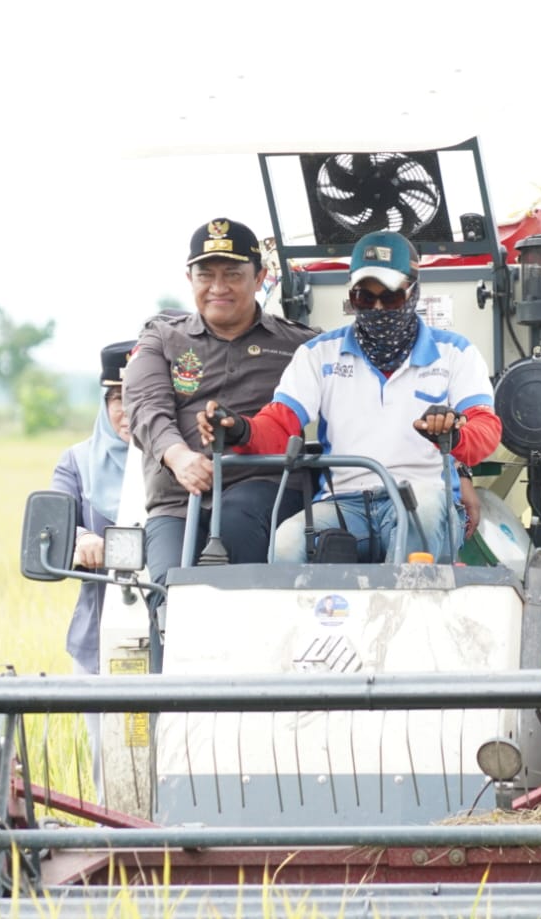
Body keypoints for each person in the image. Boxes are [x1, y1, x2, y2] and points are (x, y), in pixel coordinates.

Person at [199, 230, 502, 564]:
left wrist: (454, 434)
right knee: (285, 543)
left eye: (389, 298)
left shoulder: (456, 353)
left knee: (426, 514)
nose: (376, 308)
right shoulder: (318, 354)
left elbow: (485, 429)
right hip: (343, 502)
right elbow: (279, 423)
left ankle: (404, 613)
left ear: (414, 291)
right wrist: (242, 430)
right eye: (362, 297)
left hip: (420, 496)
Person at [122, 218, 318, 583]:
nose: (218, 287)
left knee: (235, 529)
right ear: (189, 279)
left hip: (265, 491)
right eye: (206, 276)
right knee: (167, 590)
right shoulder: (162, 339)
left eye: (232, 274)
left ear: (259, 278)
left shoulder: (301, 346)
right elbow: (146, 407)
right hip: (178, 499)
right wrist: (178, 457)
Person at [51, 339, 135, 793]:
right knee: (112, 770)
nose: (127, 411)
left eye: (139, 397)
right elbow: (55, 529)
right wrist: (81, 537)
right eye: (118, 399)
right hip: (99, 639)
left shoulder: (185, 463)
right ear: (105, 403)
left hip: (178, 638)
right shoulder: (78, 463)